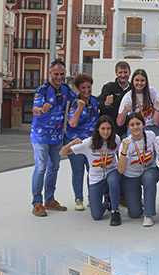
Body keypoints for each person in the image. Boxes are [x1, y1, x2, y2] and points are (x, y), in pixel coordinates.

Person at [30, 59, 76, 217]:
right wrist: (42, 110)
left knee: (54, 168)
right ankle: (37, 203)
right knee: (40, 168)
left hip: (57, 137)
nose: (59, 77)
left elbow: (77, 99)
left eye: (62, 74)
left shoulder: (65, 88)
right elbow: (35, 109)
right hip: (41, 136)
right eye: (56, 74)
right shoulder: (42, 90)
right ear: (50, 73)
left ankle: (49, 200)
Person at [60, 116, 122, 225]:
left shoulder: (116, 139)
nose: (106, 132)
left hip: (111, 172)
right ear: (97, 129)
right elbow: (63, 153)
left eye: (108, 128)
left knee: (113, 180)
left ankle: (115, 211)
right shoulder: (89, 143)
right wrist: (72, 143)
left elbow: (119, 156)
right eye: (103, 128)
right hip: (96, 178)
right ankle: (107, 203)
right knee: (96, 215)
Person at [117, 112, 159, 227]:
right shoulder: (126, 143)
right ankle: (138, 201)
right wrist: (124, 151)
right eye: (132, 125)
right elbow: (121, 170)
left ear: (143, 124)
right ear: (128, 127)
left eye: (138, 124)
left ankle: (148, 214)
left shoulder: (151, 135)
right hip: (131, 176)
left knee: (149, 178)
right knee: (134, 214)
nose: (135, 127)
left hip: (149, 170)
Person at [64, 73, 99, 211]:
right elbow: (72, 123)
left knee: (93, 171)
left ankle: (92, 197)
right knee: (78, 171)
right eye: (83, 88)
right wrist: (80, 107)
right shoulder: (75, 102)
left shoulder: (95, 101)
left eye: (89, 87)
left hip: (91, 142)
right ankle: (79, 199)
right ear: (78, 88)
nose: (86, 90)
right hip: (76, 141)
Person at [117, 69, 157, 134]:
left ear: (146, 81)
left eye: (142, 80)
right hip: (135, 128)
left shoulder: (151, 91)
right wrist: (124, 111)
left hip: (151, 127)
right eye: (137, 80)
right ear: (132, 81)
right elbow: (119, 122)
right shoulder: (128, 97)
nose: (139, 83)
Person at [98, 61, 131, 138]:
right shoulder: (108, 87)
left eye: (125, 72)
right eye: (120, 72)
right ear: (116, 73)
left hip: (129, 129)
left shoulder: (133, 88)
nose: (123, 75)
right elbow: (101, 108)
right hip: (112, 131)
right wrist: (106, 104)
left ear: (129, 73)